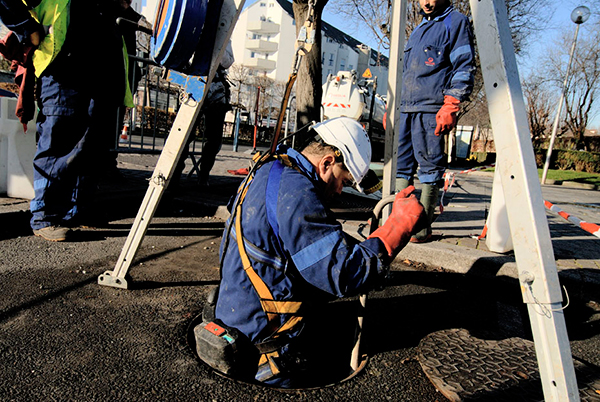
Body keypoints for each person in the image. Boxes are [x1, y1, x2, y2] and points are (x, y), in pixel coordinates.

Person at [210, 117, 424, 387]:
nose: (338, 191)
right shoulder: (298, 192)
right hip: (267, 345)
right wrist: (398, 227)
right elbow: (343, 274)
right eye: (343, 181)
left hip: (236, 312)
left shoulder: (269, 168)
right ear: (326, 163)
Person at [0, 0, 129, 241]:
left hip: (102, 67)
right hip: (65, 65)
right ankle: (44, 215)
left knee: (90, 144)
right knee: (58, 139)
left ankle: (75, 211)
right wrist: (26, 27)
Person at [396, 0, 475, 242]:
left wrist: (451, 104)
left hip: (431, 109)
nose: (427, 2)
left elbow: (464, 66)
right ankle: (400, 223)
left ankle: (421, 228)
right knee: (401, 167)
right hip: (406, 109)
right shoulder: (419, 29)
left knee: (429, 168)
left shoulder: (456, 22)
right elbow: (405, 71)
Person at [172, 42, 234, 189]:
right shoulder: (194, 29)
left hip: (216, 89)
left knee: (214, 138)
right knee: (185, 134)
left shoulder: (224, 33)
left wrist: (218, 47)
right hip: (194, 83)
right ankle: (174, 174)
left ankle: (204, 175)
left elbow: (228, 61)